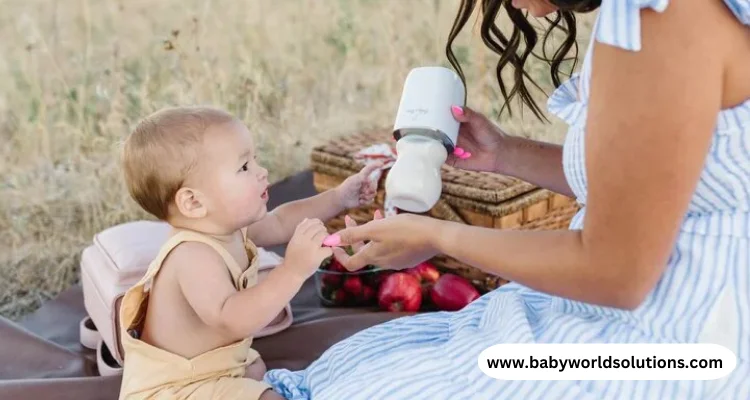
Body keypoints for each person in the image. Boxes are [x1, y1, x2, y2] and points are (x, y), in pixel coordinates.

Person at [264, 0, 750, 398]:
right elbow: (650, 182)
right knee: (357, 367)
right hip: (668, 305)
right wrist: (505, 154)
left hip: (685, 337)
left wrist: (438, 235)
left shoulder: (658, 22)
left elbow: (616, 273)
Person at [116, 106, 380, 399]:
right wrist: (292, 271)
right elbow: (234, 319)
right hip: (176, 390)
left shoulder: (227, 228)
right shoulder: (192, 255)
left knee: (255, 369)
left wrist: (339, 197)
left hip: (212, 370)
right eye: (244, 167)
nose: (261, 172)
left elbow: (282, 221)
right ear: (193, 202)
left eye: (255, 160)